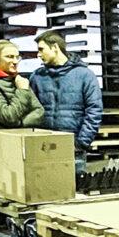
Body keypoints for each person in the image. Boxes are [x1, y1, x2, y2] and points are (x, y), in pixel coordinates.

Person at [29, 31, 102, 173]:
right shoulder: (37, 77)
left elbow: (94, 111)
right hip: (43, 148)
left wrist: (81, 142)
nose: (38, 54)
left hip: (73, 149)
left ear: (55, 47)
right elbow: (30, 110)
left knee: (74, 190)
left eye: (41, 49)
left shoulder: (84, 75)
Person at [0, 40, 45, 129]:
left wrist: (19, 124)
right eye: (10, 57)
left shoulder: (18, 80)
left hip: (25, 136)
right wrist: (23, 91)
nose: (15, 61)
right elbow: (8, 117)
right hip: (3, 139)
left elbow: (39, 112)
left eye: (17, 57)